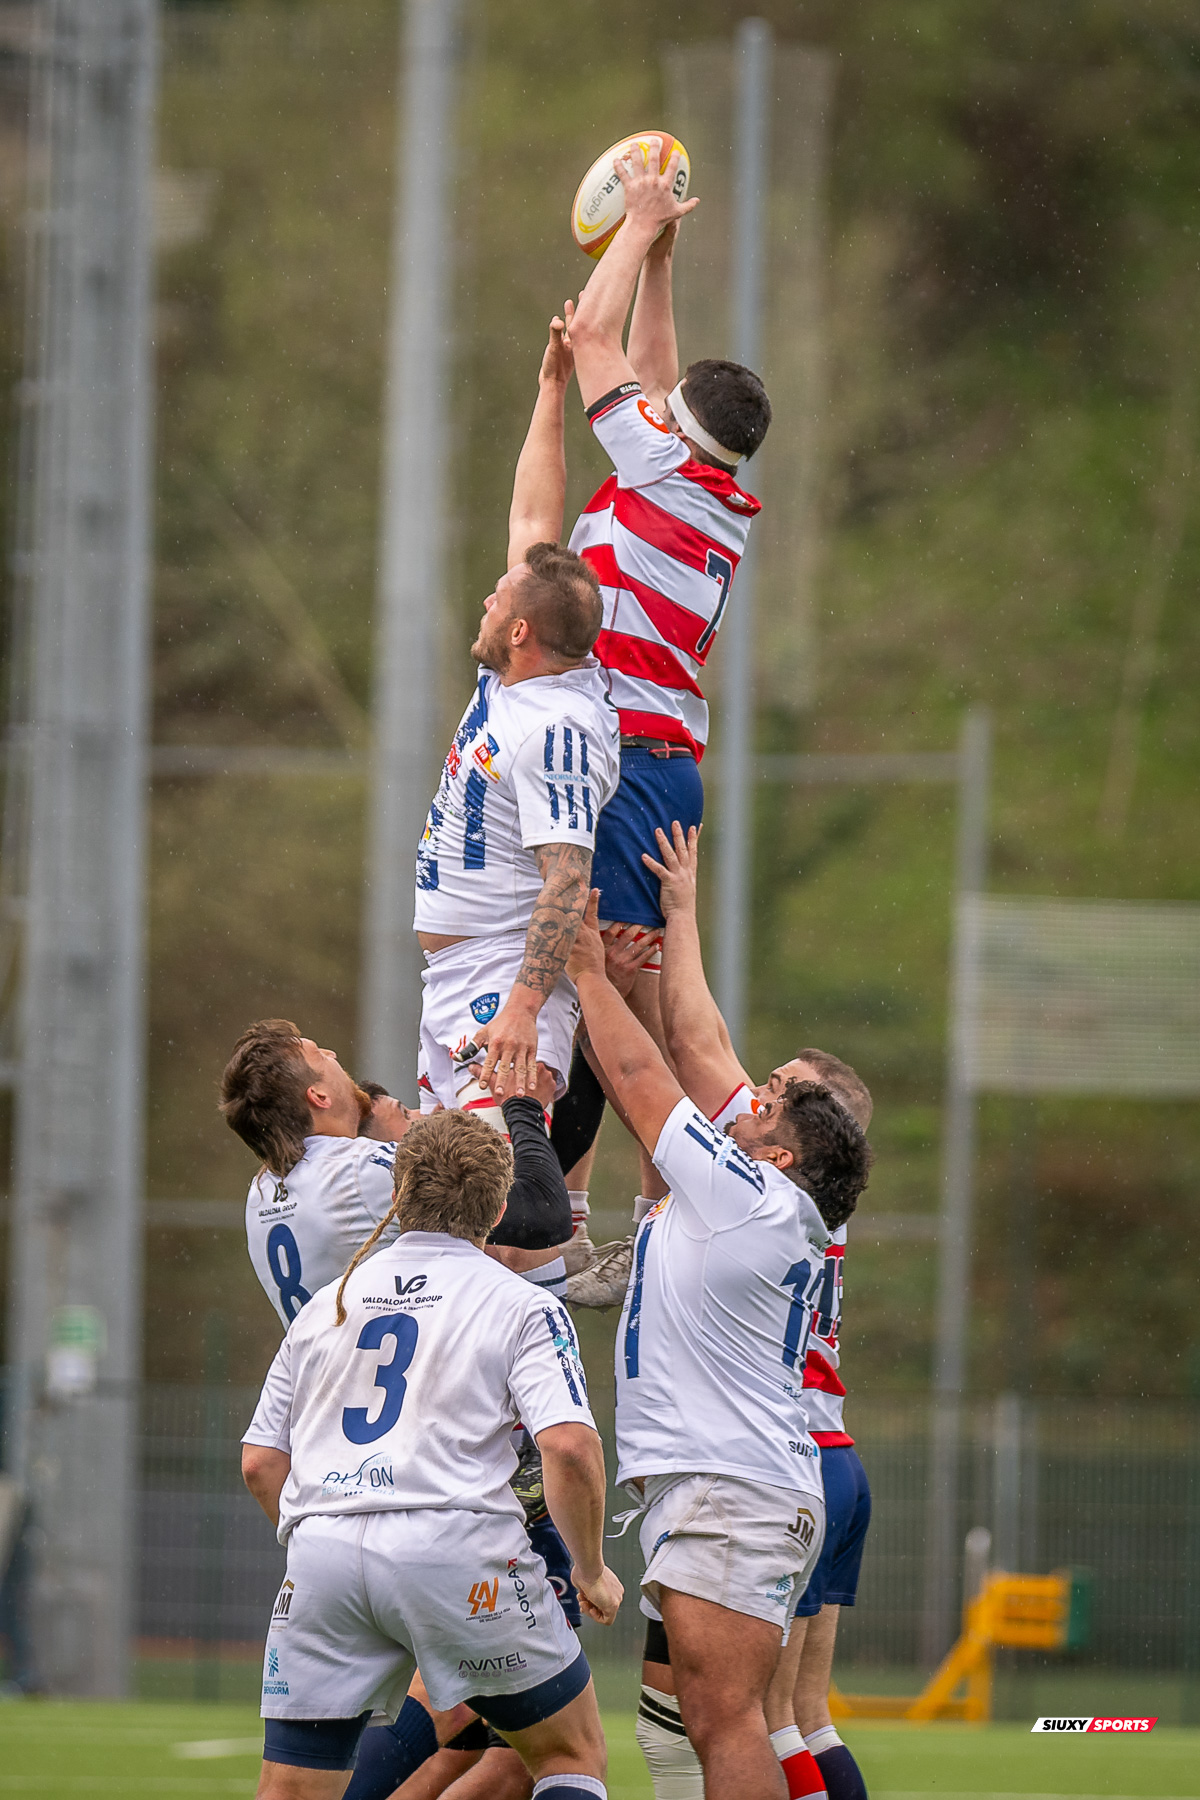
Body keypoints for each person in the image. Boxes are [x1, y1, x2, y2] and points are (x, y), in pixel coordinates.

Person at [564, 893, 873, 1800]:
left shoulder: (753, 1196)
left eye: (770, 1103)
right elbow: (637, 1085)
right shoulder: (744, 1198)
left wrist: (587, 970)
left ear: (779, 1158)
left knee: (732, 1722)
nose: (751, 1100)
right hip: (734, 1484)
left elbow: (648, 1077)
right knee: (724, 1722)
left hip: (735, 1490)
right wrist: (617, 984)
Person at [241, 1107, 623, 1800]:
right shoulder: (521, 1304)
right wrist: (592, 1570)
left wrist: (322, 1545)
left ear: (397, 1192)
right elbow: (568, 1446)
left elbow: (261, 1463)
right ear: (501, 1209)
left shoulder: (328, 1301)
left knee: (293, 1788)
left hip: (322, 1549)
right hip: (456, 1548)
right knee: (570, 1753)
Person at [564, 135, 771, 1207]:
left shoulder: (657, 463)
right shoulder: (707, 488)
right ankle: (649, 1203)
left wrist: (640, 220)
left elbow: (595, 338)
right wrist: (660, 262)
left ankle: (668, 1208)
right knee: (614, 993)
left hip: (632, 769)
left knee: (635, 1008)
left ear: (669, 434)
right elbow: (646, 371)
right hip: (654, 762)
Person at [414, 316, 620, 1126]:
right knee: (453, 1202)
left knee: (496, 1204)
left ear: (523, 632)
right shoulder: (521, 676)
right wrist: (550, 388)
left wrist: (527, 1006)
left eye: (499, 602)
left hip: (499, 981)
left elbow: (567, 878)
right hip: (458, 978)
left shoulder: (555, 728)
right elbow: (533, 520)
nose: (487, 602)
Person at [219, 1019, 574, 1324]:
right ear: (319, 1097)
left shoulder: (261, 1191)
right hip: (393, 1390)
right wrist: (523, 1105)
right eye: (320, 1055)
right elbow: (544, 1214)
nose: (334, 1056)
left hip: (329, 1388)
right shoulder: (360, 1172)